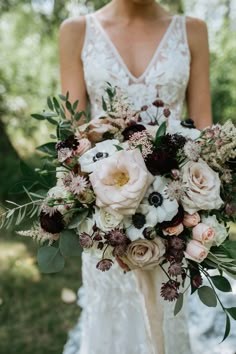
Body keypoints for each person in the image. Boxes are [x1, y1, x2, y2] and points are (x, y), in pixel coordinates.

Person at [59, 1, 212, 353]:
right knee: (109, 327)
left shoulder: (192, 31)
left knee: (167, 320)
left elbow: (204, 132)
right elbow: (73, 142)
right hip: (105, 223)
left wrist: (197, 204)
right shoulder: (76, 31)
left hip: (174, 218)